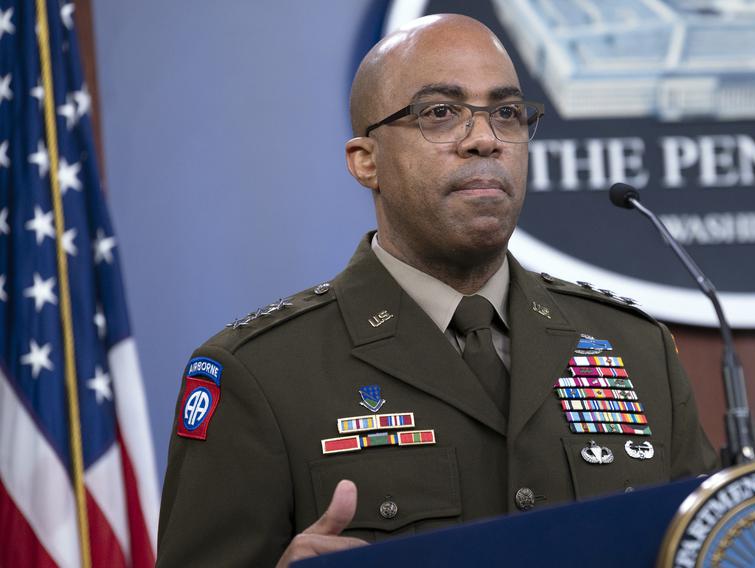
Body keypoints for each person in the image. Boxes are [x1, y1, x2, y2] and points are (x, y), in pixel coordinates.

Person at [157, 13, 719, 567]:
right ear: (365, 161)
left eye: (506, 112)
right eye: (442, 113)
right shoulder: (260, 374)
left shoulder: (634, 349)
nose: (485, 139)